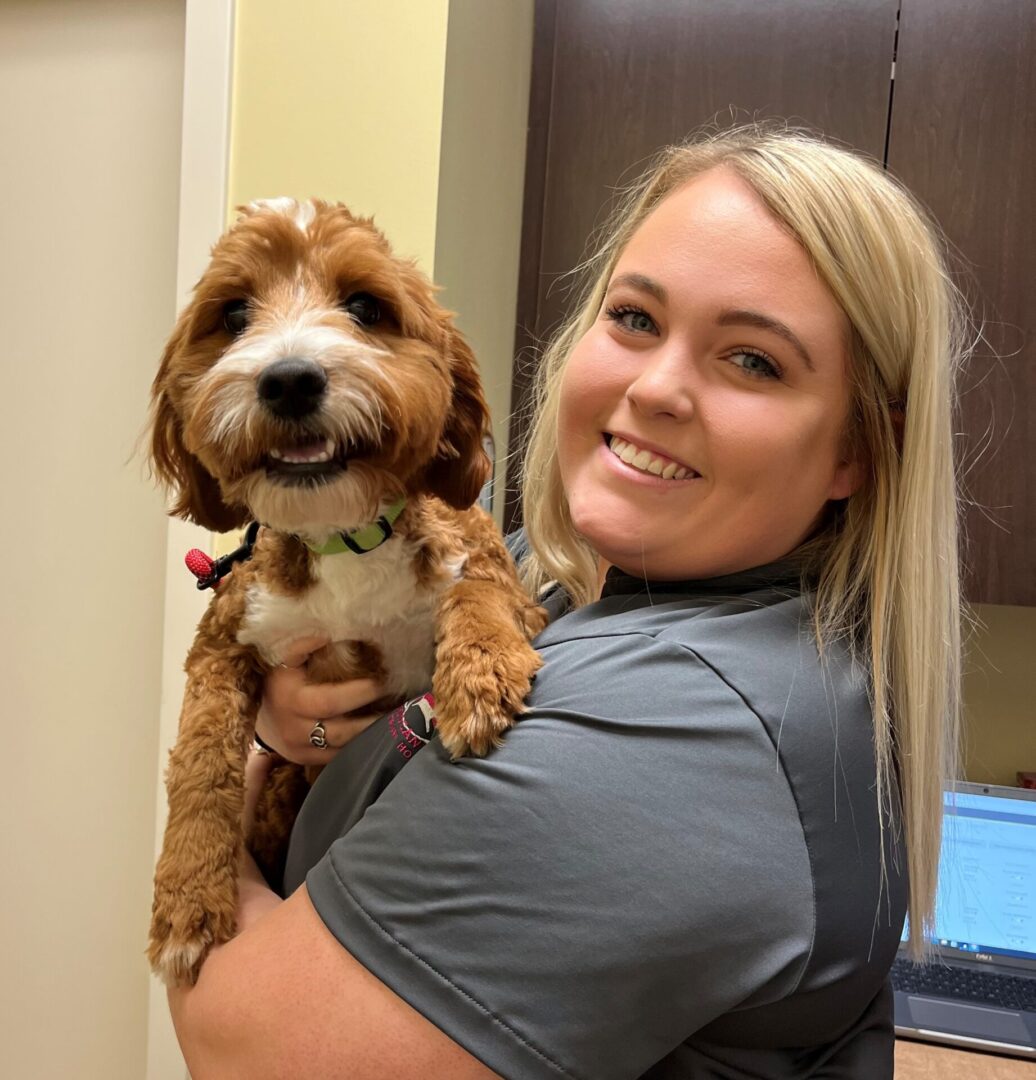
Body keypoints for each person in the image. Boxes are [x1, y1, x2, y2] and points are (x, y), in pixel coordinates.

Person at [168, 125, 965, 1078]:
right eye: (635, 318)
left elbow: (250, 1052)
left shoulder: (675, 733)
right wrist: (299, 729)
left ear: (857, 451)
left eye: (754, 360)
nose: (656, 386)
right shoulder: (572, 580)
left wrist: (237, 793)